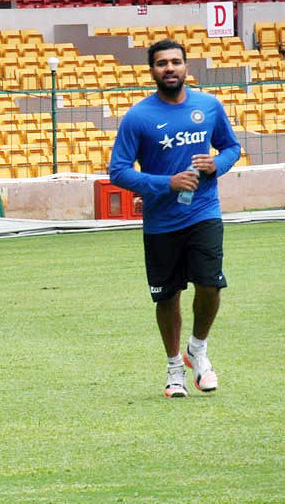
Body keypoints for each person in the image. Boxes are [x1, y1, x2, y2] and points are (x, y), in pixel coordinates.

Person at [109, 39, 241, 398]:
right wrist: (165, 183)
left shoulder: (208, 105)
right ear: (151, 70)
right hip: (161, 223)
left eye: (175, 62)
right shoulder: (138, 117)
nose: (169, 68)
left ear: (186, 67)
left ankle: (198, 349)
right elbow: (118, 171)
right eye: (162, 63)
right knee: (167, 297)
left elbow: (232, 147)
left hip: (204, 211)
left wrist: (218, 165)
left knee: (211, 284)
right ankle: (173, 368)